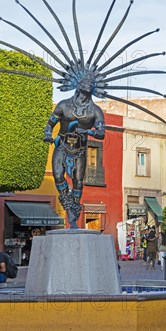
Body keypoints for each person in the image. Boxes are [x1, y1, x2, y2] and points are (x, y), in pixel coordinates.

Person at [43, 76, 106, 228]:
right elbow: (49, 124)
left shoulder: (95, 111)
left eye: (91, 83)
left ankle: (74, 213)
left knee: (78, 181)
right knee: (58, 175)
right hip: (62, 146)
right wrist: (47, 135)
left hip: (80, 150)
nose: (89, 84)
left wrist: (87, 131)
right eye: (86, 81)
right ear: (78, 84)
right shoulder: (63, 105)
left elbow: (101, 133)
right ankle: (68, 206)